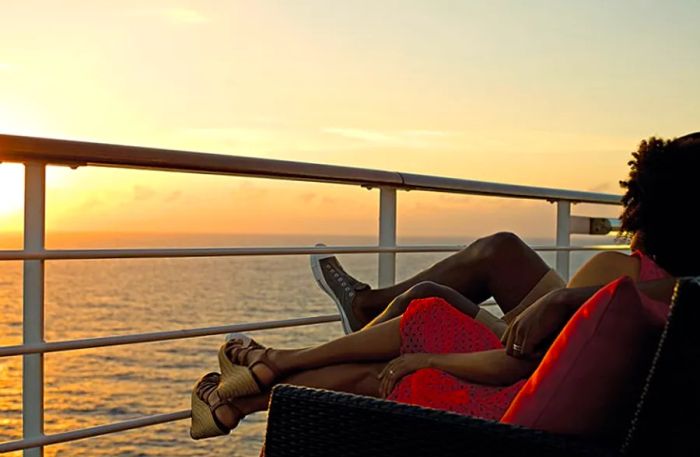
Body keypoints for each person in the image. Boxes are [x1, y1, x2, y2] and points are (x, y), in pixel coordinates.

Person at [189, 132, 699, 440]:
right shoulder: (675, 294)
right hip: (573, 407)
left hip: (510, 410)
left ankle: (269, 373)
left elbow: (513, 363)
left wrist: (431, 361)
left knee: (391, 363)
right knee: (429, 310)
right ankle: (256, 384)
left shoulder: (618, 278)